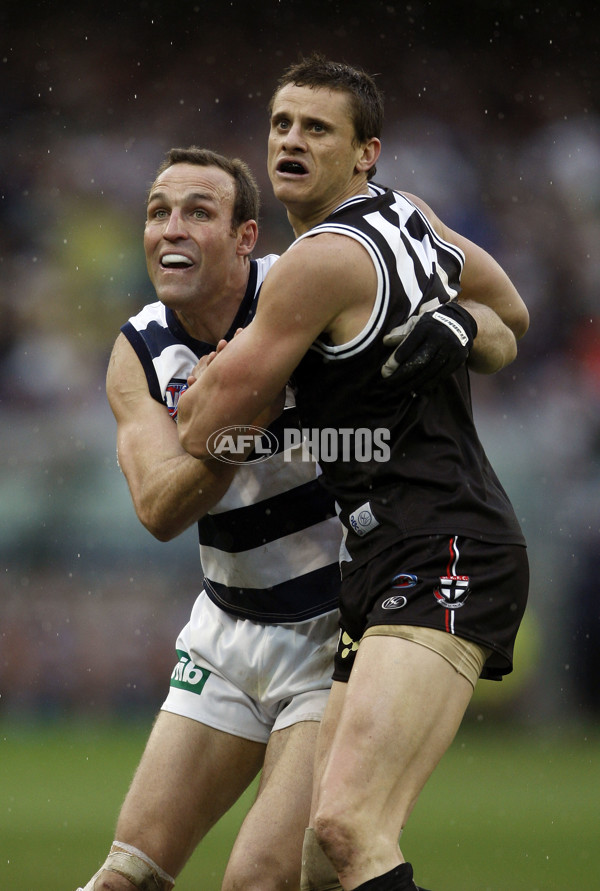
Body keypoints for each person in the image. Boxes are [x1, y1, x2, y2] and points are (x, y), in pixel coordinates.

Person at [177, 55, 530, 891]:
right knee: (316, 859)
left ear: (366, 151)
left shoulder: (319, 260)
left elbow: (201, 428)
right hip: (385, 553)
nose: (290, 141)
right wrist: (457, 322)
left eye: (317, 128)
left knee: (347, 826)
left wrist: (211, 382)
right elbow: (509, 319)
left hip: (444, 544)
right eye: (280, 124)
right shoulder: (409, 217)